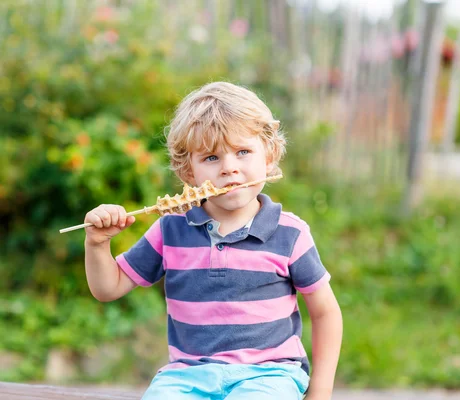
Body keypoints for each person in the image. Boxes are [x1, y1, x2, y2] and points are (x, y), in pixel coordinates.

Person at [83, 81, 343, 400]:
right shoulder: (170, 231)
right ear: (188, 171)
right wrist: (97, 244)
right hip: (187, 376)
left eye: (243, 152)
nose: (229, 168)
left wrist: (321, 391)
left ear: (269, 156)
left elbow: (325, 312)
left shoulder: (290, 234)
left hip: (269, 375)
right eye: (211, 158)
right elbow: (108, 288)